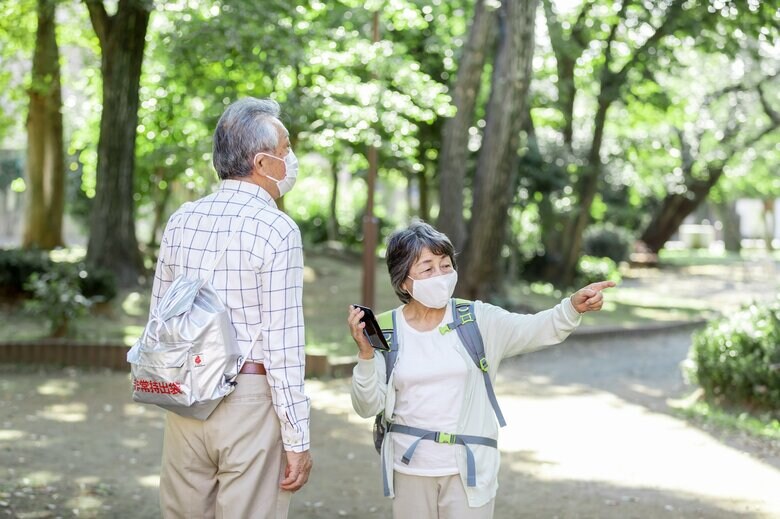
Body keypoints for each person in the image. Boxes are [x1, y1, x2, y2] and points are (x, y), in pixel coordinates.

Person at [348, 221, 614, 518]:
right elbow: (366, 405)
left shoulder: (477, 319)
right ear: (403, 282)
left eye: (445, 265)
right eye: (427, 269)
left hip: (470, 467)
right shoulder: (386, 328)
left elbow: (534, 328)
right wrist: (365, 354)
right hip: (409, 468)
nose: (440, 275)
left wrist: (571, 308)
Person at [151, 97, 312, 518]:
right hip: (248, 400)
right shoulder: (277, 229)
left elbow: (159, 320)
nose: (290, 159)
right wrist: (297, 439)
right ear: (262, 162)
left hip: (186, 395)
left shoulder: (181, 220)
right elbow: (283, 346)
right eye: (286, 149)